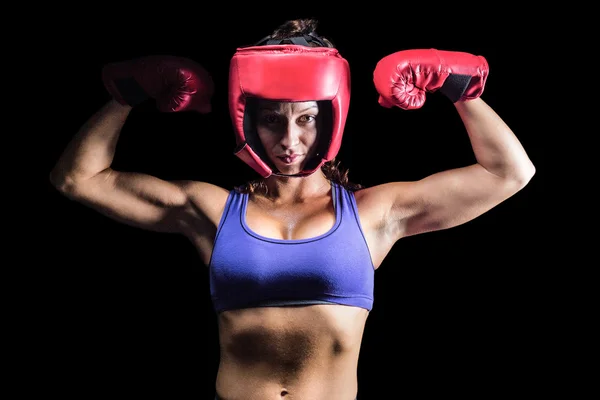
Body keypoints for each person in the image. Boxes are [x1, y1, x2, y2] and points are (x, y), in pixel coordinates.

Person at [49, 18, 535, 400]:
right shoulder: (212, 211)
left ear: (330, 117)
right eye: (270, 120)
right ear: (246, 120)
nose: (289, 140)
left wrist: (460, 90)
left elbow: (508, 173)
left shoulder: (373, 213)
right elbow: (78, 179)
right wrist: (126, 97)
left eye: (306, 119)